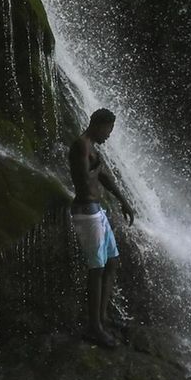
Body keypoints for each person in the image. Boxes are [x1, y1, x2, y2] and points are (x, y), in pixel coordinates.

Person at [68, 107, 136, 348]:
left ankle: (103, 317)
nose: (109, 135)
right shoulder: (81, 145)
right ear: (98, 125)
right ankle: (94, 327)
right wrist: (98, 167)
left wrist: (124, 201)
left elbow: (103, 177)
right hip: (86, 212)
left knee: (113, 261)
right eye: (108, 130)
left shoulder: (91, 149)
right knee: (96, 269)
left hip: (97, 211)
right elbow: (83, 180)